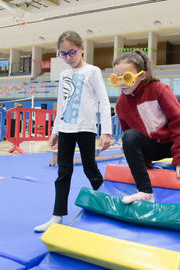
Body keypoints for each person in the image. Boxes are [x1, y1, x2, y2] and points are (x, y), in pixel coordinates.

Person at [110, 50, 180, 204]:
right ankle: (145, 191)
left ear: (142, 76)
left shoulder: (159, 90)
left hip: (173, 142)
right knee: (129, 136)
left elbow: (179, 123)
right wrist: (144, 165)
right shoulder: (121, 105)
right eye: (116, 79)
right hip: (152, 148)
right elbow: (130, 137)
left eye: (127, 78)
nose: (122, 83)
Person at [34, 31, 112, 232]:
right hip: (66, 128)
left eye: (72, 52)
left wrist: (106, 131)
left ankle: (107, 208)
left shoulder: (93, 71)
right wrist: (55, 131)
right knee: (63, 172)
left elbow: (104, 101)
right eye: (63, 54)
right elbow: (62, 104)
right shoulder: (63, 74)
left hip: (86, 128)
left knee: (90, 169)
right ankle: (57, 215)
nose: (68, 58)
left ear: (82, 49)